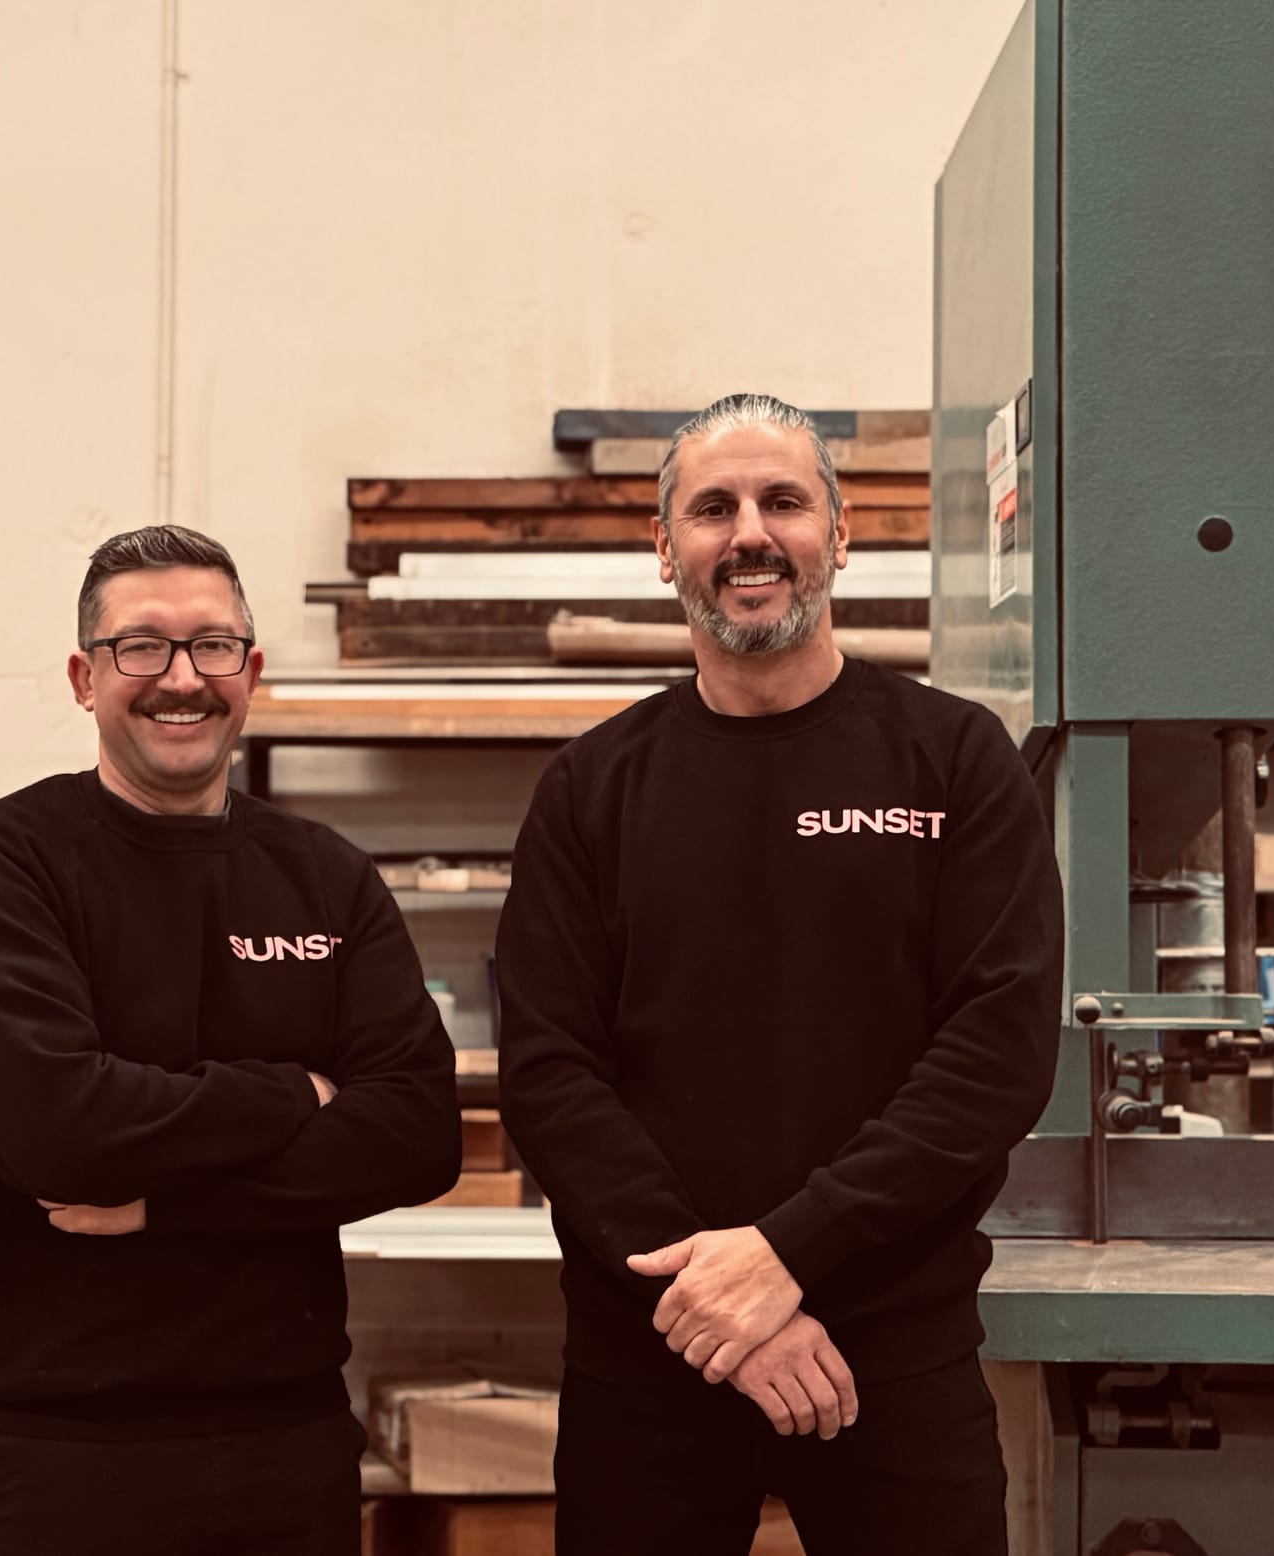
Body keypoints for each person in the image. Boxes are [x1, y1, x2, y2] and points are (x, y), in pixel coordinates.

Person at [496, 393, 1064, 1555]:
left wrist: (786, 1253)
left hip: (884, 1351)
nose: (747, 532)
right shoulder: (591, 788)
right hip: (650, 1352)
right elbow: (549, 1073)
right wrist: (719, 1303)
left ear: (837, 536)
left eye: (781, 501)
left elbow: (992, 1057)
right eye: (710, 507)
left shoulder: (955, 761)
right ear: (665, 551)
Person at [0, 524, 460, 1556]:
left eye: (211, 646)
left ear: (250, 670)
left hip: (281, 1445)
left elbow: (419, 1132)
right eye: (141, 647)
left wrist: (164, 1200)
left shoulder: (323, 873)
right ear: (84, 676)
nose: (180, 678)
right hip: (48, 1453)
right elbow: (57, 1130)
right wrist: (295, 1092)